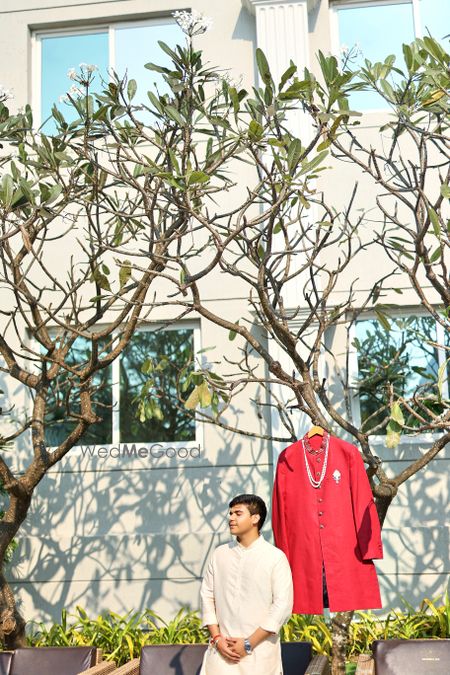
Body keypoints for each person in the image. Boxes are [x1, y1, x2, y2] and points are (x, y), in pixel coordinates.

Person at [200, 494, 293, 675]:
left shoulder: (275, 557)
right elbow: (207, 596)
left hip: (260, 657)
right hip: (221, 655)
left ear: (255, 518)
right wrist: (217, 639)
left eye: (238, 513)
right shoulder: (220, 554)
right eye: (230, 513)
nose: (231, 518)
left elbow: (282, 606)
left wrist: (249, 643)